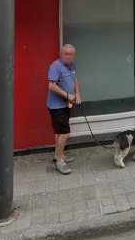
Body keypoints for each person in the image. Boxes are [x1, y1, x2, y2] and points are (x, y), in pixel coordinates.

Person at [47, 44, 82, 175]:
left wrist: (77, 94)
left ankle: (59, 154)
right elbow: (51, 86)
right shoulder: (55, 66)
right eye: (66, 54)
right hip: (56, 106)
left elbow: (75, 80)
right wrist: (68, 95)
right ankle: (60, 160)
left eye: (71, 54)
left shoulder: (72, 65)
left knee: (59, 132)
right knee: (65, 133)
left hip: (67, 105)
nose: (69, 56)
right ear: (61, 54)